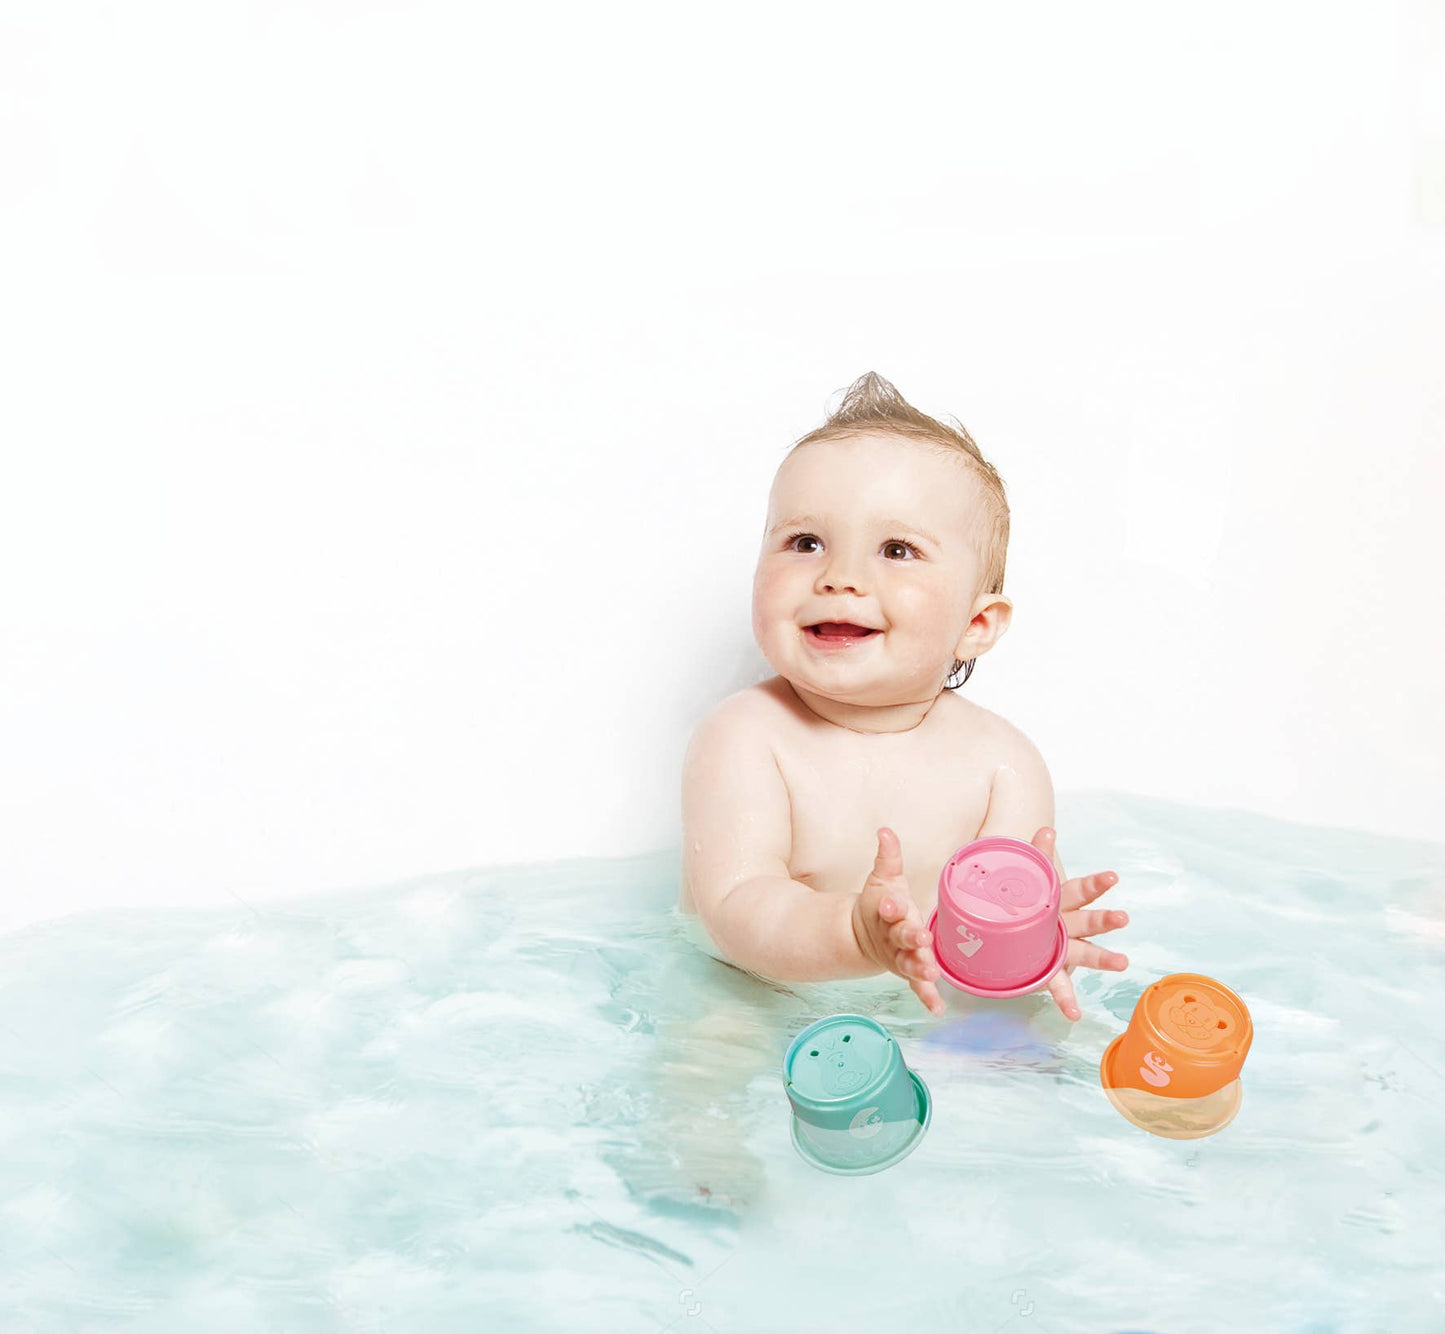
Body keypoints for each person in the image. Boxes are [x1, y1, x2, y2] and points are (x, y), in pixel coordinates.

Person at [679, 372, 1129, 1020]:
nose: (839, 577)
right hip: (750, 997)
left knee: (1022, 1056)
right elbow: (735, 910)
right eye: (805, 542)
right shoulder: (745, 736)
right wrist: (853, 936)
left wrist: (1027, 948)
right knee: (704, 1072)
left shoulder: (1002, 765)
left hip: (922, 1001)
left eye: (896, 549)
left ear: (975, 626)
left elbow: (989, 940)